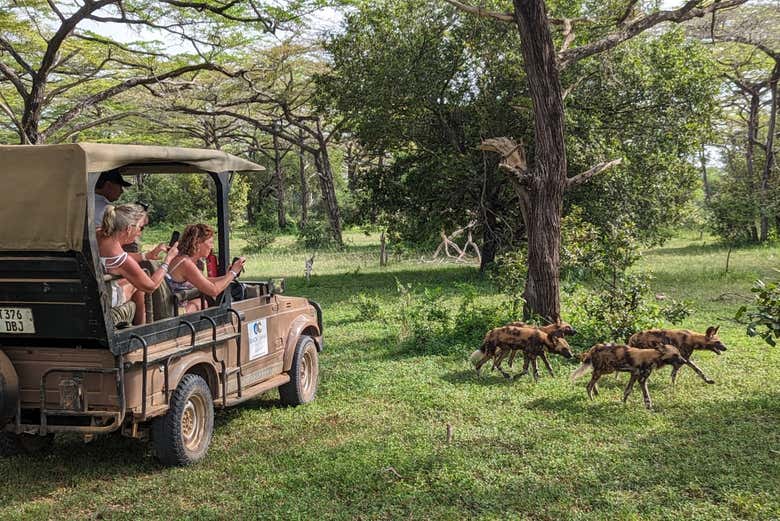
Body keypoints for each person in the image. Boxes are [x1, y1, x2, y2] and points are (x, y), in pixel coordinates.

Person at [98, 204, 179, 326]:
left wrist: (146, 256)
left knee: (129, 281)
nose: (140, 233)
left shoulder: (98, 233)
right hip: (104, 301)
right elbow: (151, 286)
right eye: (141, 228)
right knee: (137, 285)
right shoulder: (121, 259)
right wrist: (168, 260)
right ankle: (142, 328)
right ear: (129, 228)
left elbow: (113, 259)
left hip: (90, 292)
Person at [165, 223, 246, 313]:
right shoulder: (185, 263)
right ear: (198, 243)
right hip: (174, 312)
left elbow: (203, 280)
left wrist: (227, 276)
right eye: (210, 242)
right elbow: (214, 290)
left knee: (202, 302)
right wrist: (233, 273)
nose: (212, 247)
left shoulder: (182, 258)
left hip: (173, 307)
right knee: (202, 303)